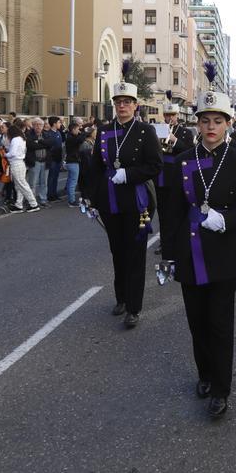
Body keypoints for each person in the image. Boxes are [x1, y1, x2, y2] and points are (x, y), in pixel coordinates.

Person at [165, 90, 236, 419]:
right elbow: (172, 210)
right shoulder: (182, 161)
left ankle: (221, 389)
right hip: (189, 250)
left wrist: (226, 220)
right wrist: (170, 254)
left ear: (228, 124)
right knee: (197, 322)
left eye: (217, 121)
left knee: (220, 323)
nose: (210, 127)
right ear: (197, 124)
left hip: (223, 252)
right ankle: (204, 373)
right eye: (205, 121)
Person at [89, 77, 162, 328]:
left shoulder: (145, 131)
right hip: (110, 201)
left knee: (135, 253)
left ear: (135, 105)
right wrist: (90, 197)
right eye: (118, 102)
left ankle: (134, 306)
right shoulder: (105, 131)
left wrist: (129, 174)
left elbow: (155, 165)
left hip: (136, 200)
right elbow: (96, 166)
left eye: (127, 102)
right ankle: (120, 297)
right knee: (117, 251)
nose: (122, 106)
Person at [157, 101, 196, 257]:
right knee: (163, 213)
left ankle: (179, 241)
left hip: (177, 174)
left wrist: (174, 140)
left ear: (177, 116)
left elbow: (190, 151)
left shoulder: (186, 132)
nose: (169, 118)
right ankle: (164, 243)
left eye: (172, 115)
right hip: (160, 175)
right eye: (167, 115)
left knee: (177, 210)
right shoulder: (158, 130)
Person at [5, 124, 40, 213]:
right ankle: (19, 204)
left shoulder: (15, 140)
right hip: (21, 162)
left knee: (22, 184)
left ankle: (33, 204)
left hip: (16, 163)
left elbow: (12, 153)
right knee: (20, 185)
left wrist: (5, 154)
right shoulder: (21, 139)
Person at [43, 116, 65, 203]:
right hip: (52, 159)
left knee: (55, 177)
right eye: (59, 122)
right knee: (51, 178)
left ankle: (54, 194)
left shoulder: (58, 133)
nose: (60, 124)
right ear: (54, 124)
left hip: (58, 158)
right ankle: (49, 195)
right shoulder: (49, 134)